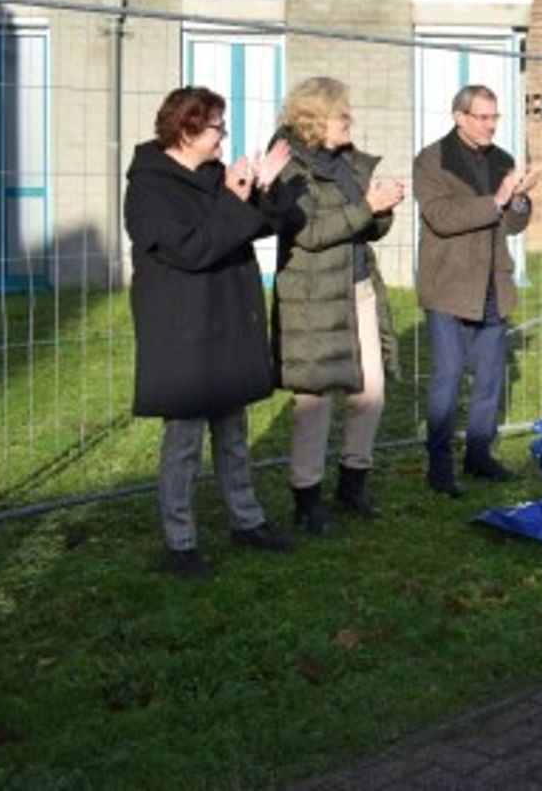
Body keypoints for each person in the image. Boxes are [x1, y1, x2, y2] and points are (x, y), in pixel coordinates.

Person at [125, 86, 297, 578]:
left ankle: (247, 521)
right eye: (218, 127)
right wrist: (236, 199)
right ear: (187, 130)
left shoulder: (212, 175)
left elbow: (260, 224)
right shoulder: (149, 187)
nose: (225, 137)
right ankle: (179, 543)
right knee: (183, 442)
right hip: (183, 331)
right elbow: (192, 248)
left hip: (225, 321)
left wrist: (263, 188)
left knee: (233, 432)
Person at [269, 77, 404, 535]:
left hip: (359, 287)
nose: (351, 122)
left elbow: (363, 228)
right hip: (312, 298)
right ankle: (306, 498)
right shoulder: (287, 164)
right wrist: (368, 206)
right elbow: (309, 233)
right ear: (314, 120)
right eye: (342, 115)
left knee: (371, 392)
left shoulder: (346, 163)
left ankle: (353, 483)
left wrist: (382, 207)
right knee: (315, 400)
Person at [413, 85, 539, 496]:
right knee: (448, 377)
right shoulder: (431, 160)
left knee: (489, 377)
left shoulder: (502, 159)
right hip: (448, 284)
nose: (490, 125)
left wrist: (519, 202)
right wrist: (498, 198)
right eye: (482, 117)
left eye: (494, 117)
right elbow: (441, 216)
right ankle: (440, 465)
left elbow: (510, 224)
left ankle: (479, 455)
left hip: (492, 284)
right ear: (459, 116)